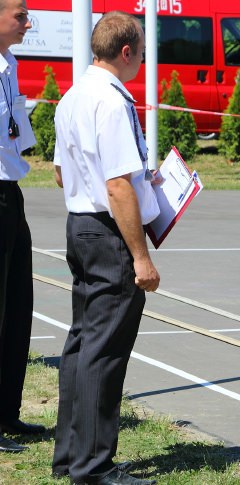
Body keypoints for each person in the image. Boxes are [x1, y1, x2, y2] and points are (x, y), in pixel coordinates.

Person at [51, 11, 160, 485]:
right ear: (127, 51)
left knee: (81, 345)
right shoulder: (113, 102)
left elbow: (60, 171)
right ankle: (93, 468)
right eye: (141, 51)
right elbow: (117, 185)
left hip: (81, 223)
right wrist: (140, 255)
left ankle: (71, 456)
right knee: (104, 350)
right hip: (107, 230)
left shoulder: (73, 96)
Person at [0, 0, 46, 454]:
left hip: (10, 191)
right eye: (20, 14)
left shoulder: (9, 63)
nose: (28, 22)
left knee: (17, 305)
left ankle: (6, 412)